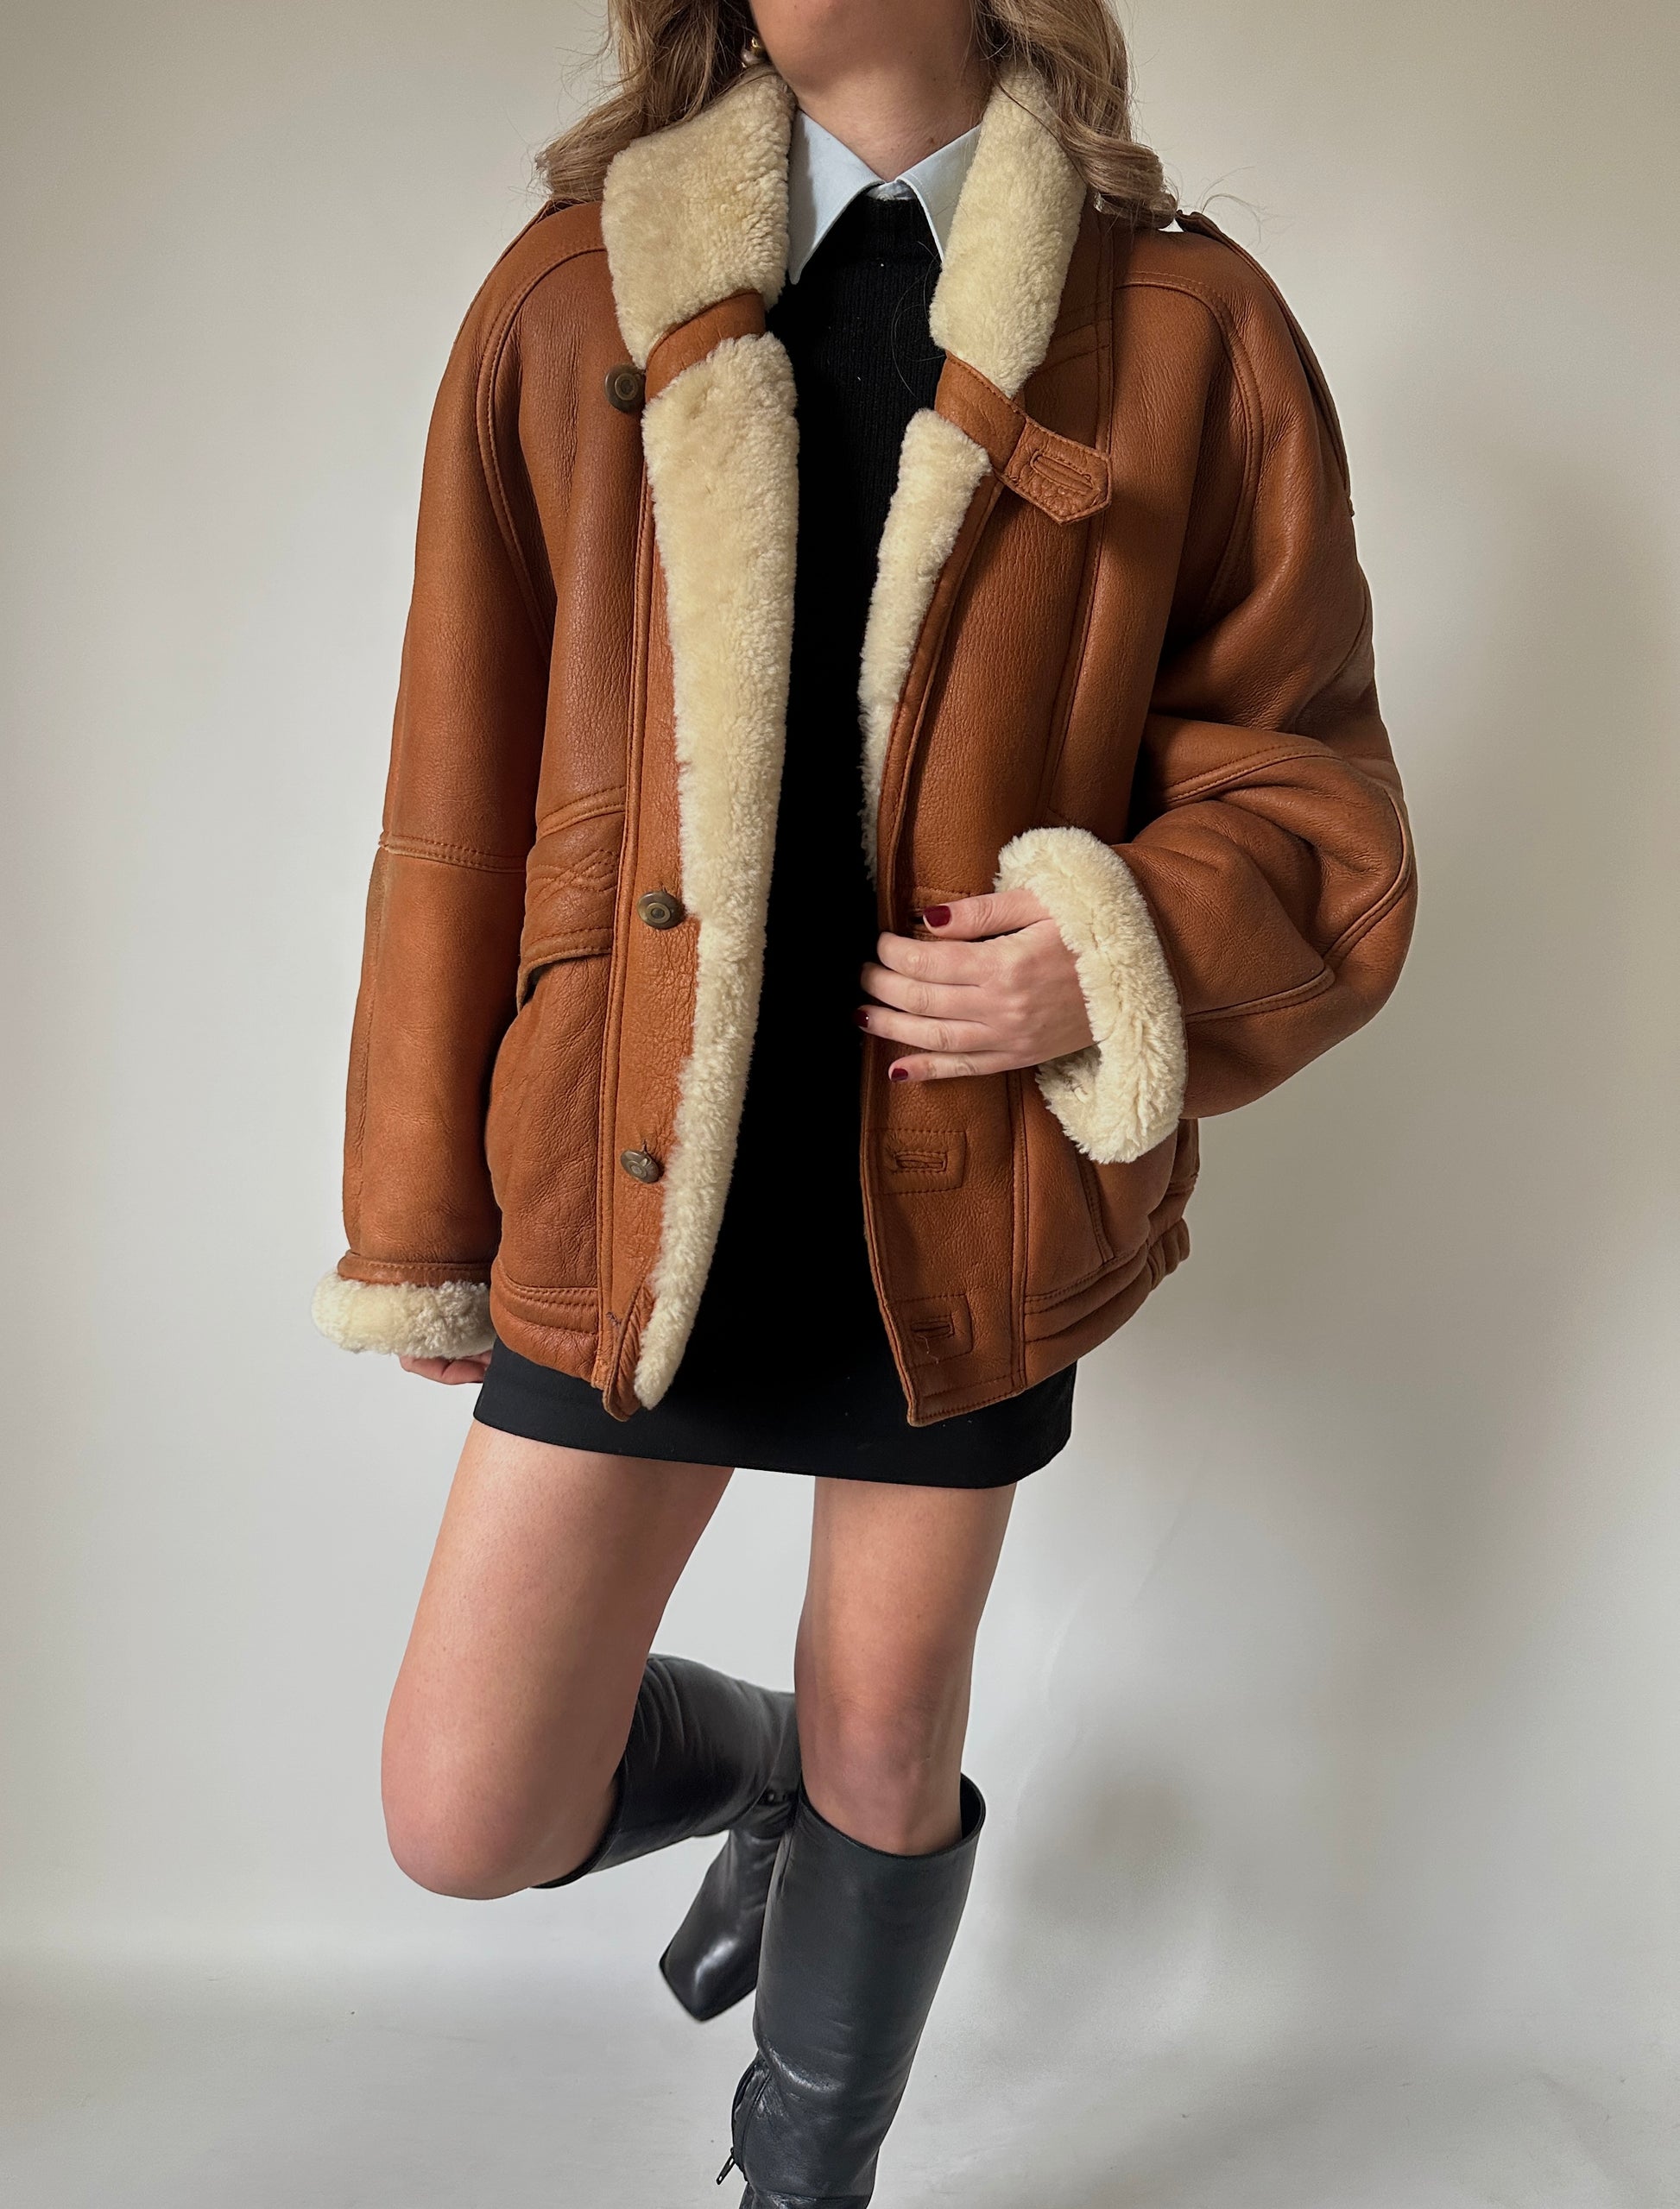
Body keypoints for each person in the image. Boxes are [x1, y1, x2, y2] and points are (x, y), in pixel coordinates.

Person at [311, 0, 1418, 2198]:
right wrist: (421, 1219)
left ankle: (801, 2174)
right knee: (466, 1805)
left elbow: (1312, 783)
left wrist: (1113, 938)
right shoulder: (571, 290)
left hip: (962, 1174)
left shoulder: (1179, 320)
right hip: (630, 1165)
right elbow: (451, 796)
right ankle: (771, 1786)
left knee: (892, 1738)